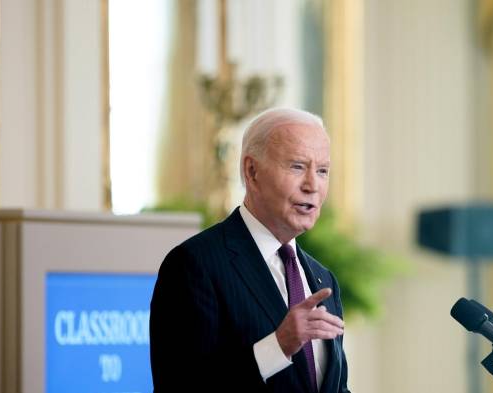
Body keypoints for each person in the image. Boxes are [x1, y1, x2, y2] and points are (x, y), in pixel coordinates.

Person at [150, 107, 350, 393]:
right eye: (297, 166)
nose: (312, 185)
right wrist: (278, 346)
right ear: (252, 171)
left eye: (322, 171)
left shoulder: (323, 279)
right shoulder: (195, 265)